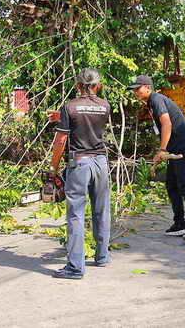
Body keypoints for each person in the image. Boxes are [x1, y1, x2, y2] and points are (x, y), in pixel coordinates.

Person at [48, 68, 111, 279]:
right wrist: (63, 117)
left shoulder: (69, 107)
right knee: (101, 210)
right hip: (101, 162)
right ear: (98, 86)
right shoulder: (105, 106)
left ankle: (75, 268)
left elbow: (61, 141)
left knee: (76, 214)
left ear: (77, 86)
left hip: (80, 163)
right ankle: (102, 257)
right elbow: (89, 119)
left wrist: (53, 168)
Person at [128, 74, 185, 241]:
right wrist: (165, 150)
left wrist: (162, 150)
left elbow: (167, 124)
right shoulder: (151, 102)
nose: (135, 92)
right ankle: (179, 224)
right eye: (133, 90)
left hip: (182, 148)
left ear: (147, 87)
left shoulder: (156, 99)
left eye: (137, 89)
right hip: (174, 149)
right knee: (172, 185)